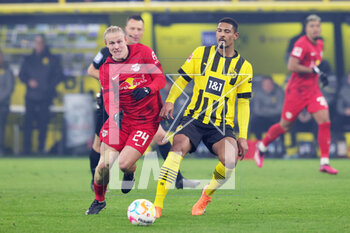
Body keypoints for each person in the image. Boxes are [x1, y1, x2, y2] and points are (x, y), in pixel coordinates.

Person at [153, 17, 253, 218]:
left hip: (221, 124)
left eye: (226, 31)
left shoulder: (244, 67)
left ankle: (206, 195)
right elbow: (182, 79)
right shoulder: (201, 54)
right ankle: (157, 205)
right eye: (219, 30)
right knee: (177, 148)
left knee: (230, 160)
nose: (222, 34)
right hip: (194, 119)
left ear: (235, 35)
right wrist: (171, 100)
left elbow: (243, 103)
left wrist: (242, 135)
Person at [87, 15, 199, 191]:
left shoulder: (143, 52)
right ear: (125, 30)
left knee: (161, 138)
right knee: (98, 145)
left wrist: (146, 89)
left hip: (138, 111)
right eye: (132, 29)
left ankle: (176, 178)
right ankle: (98, 183)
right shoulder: (107, 50)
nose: (136, 32)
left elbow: (157, 77)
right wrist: (114, 84)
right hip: (110, 107)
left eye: (139, 29)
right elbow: (92, 70)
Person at [85, 25, 167, 215]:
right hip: (121, 120)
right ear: (106, 45)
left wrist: (148, 89)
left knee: (123, 164)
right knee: (103, 165)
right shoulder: (106, 68)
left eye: (119, 41)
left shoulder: (143, 52)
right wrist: (114, 113)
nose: (116, 46)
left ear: (125, 40)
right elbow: (107, 97)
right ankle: (99, 201)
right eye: (112, 43)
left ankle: (129, 171)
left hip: (146, 121)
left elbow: (160, 79)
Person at [255, 14, 338, 174]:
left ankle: (324, 162)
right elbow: (292, 65)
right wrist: (312, 70)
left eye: (317, 26)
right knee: (285, 126)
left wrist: (320, 74)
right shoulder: (301, 44)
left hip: (313, 91)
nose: (315, 29)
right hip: (296, 92)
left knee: (325, 121)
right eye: (312, 26)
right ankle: (262, 146)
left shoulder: (320, 44)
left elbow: (314, 65)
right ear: (306, 29)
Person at [19, 34, 62, 154]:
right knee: (28, 122)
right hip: (31, 96)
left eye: (40, 42)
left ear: (44, 43)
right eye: (36, 42)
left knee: (43, 123)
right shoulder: (28, 59)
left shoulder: (52, 58)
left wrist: (49, 86)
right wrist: (29, 81)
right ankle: (26, 149)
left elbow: (58, 75)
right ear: (34, 43)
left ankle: (40, 148)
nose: (38, 45)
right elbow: (22, 75)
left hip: (46, 96)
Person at [251, 76, 284, 140]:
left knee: (282, 121)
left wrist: (264, 110)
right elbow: (257, 111)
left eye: (269, 84)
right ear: (262, 85)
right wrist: (272, 110)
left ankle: (281, 145)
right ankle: (259, 144)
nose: (268, 86)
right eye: (265, 85)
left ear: (273, 84)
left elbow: (280, 109)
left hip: (275, 118)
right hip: (263, 119)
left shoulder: (279, 91)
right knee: (256, 121)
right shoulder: (258, 93)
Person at [0, 49, 15, 155]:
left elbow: (9, 88)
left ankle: (0, 149)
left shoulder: (7, 71)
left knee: (0, 128)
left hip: (2, 106)